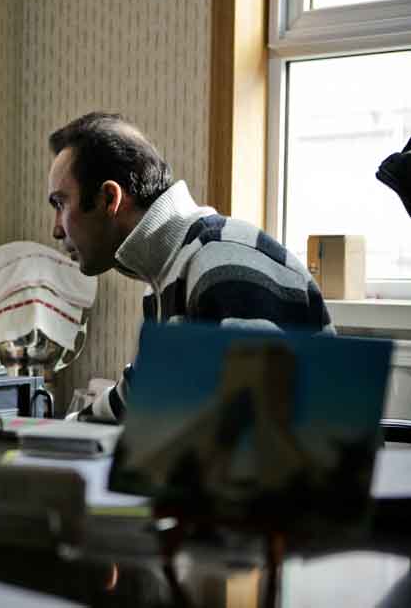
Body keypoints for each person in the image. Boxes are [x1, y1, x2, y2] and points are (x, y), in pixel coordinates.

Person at [47, 112, 333, 423]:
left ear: (109, 199)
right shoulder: (168, 273)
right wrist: (65, 429)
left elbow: (264, 425)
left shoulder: (221, 264)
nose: (56, 230)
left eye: (61, 204)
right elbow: (142, 394)